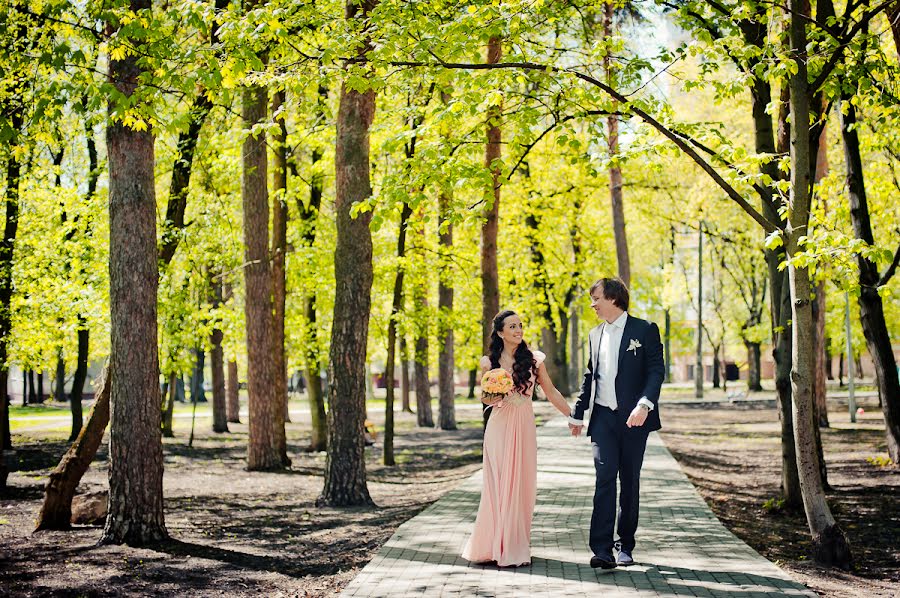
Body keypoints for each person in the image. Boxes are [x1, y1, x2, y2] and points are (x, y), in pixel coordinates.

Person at [462, 309, 572, 567]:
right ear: (500, 332)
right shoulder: (488, 363)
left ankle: (513, 544)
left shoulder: (534, 360)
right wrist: (497, 392)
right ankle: (492, 545)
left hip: (524, 426)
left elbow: (551, 391)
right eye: (512, 326)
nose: (518, 330)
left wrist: (572, 415)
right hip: (499, 428)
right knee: (498, 486)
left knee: (521, 485)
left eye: (520, 325)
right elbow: (485, 400)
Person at [568, 277, 664, 570]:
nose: (592, 304)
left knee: (629, 480)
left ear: (612, 298)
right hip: (603, 419)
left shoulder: (644, 330)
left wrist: (644, 405)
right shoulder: (594, 334)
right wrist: (578, 413)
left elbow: (656, 370)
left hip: (635, 418)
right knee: (604, 478)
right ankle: (602, 550)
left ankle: (626, 545)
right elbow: (590, 377)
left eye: (595, 298)